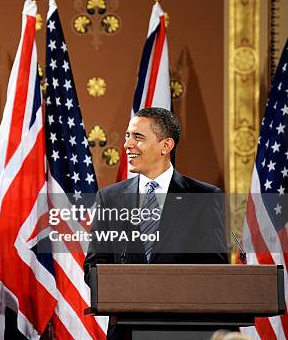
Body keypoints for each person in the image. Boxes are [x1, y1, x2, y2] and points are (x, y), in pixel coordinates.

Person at [84, 108, 228, 339]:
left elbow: (214, 268)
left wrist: (164, 293)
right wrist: (128, 293)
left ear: (166, 146)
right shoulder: (110, 198)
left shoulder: (203, 197)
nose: (128, 144)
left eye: (137, 137)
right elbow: (93, 266)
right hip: (127, 330)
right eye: (127, 136)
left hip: (184, 330)